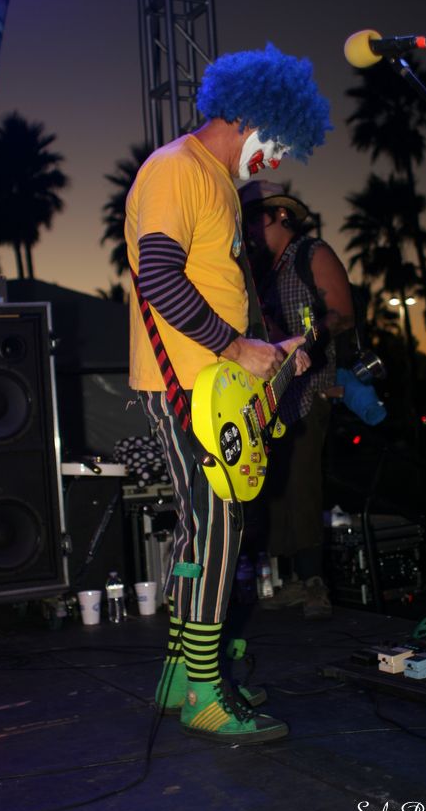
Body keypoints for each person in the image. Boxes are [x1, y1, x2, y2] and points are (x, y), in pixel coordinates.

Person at [124, 44, 331, 743]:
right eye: (278, 141)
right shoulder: (177, 169)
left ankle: (181, 673)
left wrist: (267, 352)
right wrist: (237, 348)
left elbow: (211, 288)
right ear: (248, 113)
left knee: (201, 528)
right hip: (187, 382)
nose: (275, 159)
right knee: (218, 529)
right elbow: (159, 276)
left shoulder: (214, 181)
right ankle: (206, 694)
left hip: (210, 383)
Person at [239, 180, 355, 618]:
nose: (250, 226)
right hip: (272, 394)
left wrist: (303, 342)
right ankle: (289, 579)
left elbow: (342, 312)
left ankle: (314, 583)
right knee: (275, 486)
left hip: (311, 388)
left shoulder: (312, 253)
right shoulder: (259, 269)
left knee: (304, 483)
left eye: (256, 216)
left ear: (280, 214)